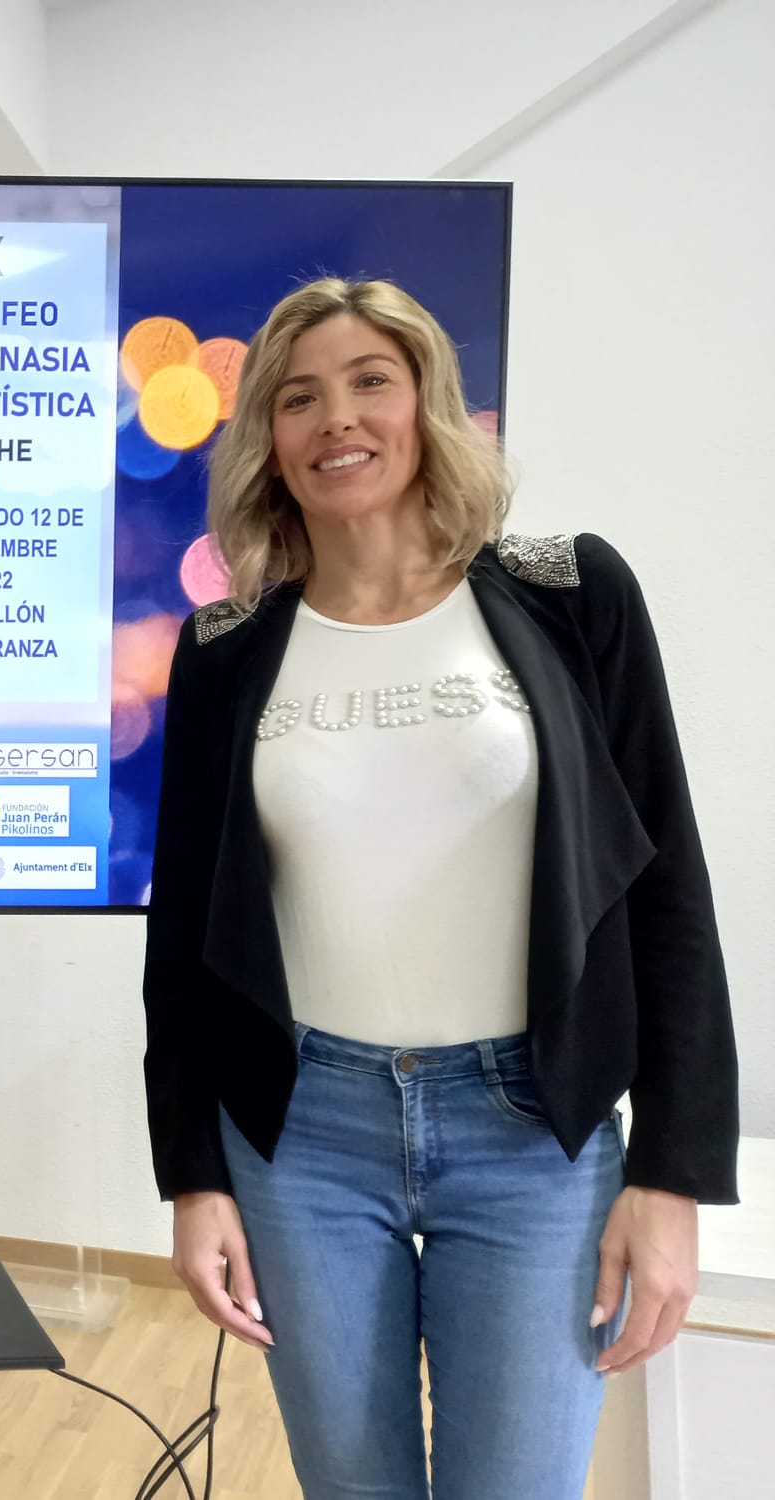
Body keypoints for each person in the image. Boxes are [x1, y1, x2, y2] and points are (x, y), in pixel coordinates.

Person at [141, 276, 738, 1498]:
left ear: (426, 403)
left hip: (531, 1132)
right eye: (297, 397)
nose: (335, 419)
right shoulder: (224, 653)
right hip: (301, 1134)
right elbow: (181, 943)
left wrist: (669, 1175)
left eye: (370, 381)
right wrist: (191, 1175)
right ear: (265, 433)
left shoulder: (567, 595)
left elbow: (667, 892)